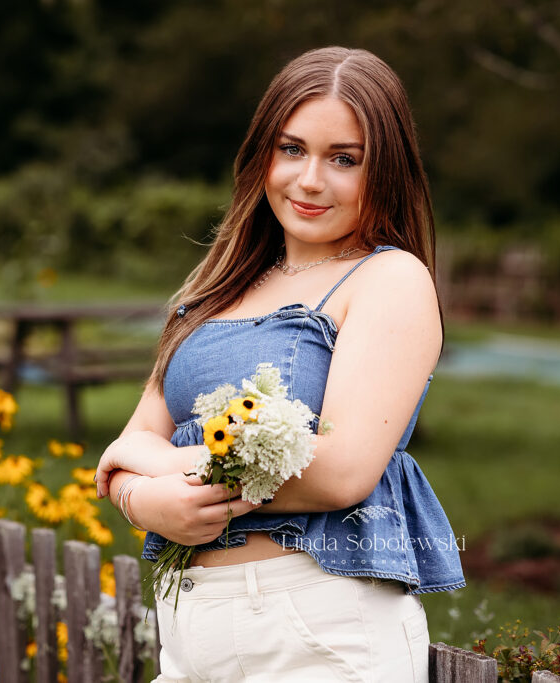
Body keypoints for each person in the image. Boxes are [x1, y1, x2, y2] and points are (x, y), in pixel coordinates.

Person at [94, 46, 465, 682]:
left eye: (344, 159)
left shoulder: (387, 278)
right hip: (190, 628)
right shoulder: (216, 287)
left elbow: (343, 472)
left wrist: (161, 470)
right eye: (291, 149)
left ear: (387, 171)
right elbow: (128, 444)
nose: (310, 180)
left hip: (318, 625)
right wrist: (141, 502)